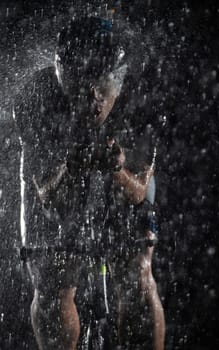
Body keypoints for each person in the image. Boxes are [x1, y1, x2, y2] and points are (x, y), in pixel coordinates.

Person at [14, 14, 165, 350]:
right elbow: (47, 197)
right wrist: (73, 164)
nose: (91, 98)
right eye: (79, 86)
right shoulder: (35, 98)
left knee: (137, 274)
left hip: (117, 172)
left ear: (119, 78)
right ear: (60, 75)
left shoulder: (144, 96)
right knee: (53, 279)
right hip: (57, 175)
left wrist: (117, 169)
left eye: (100, 85)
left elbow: (139, 192)